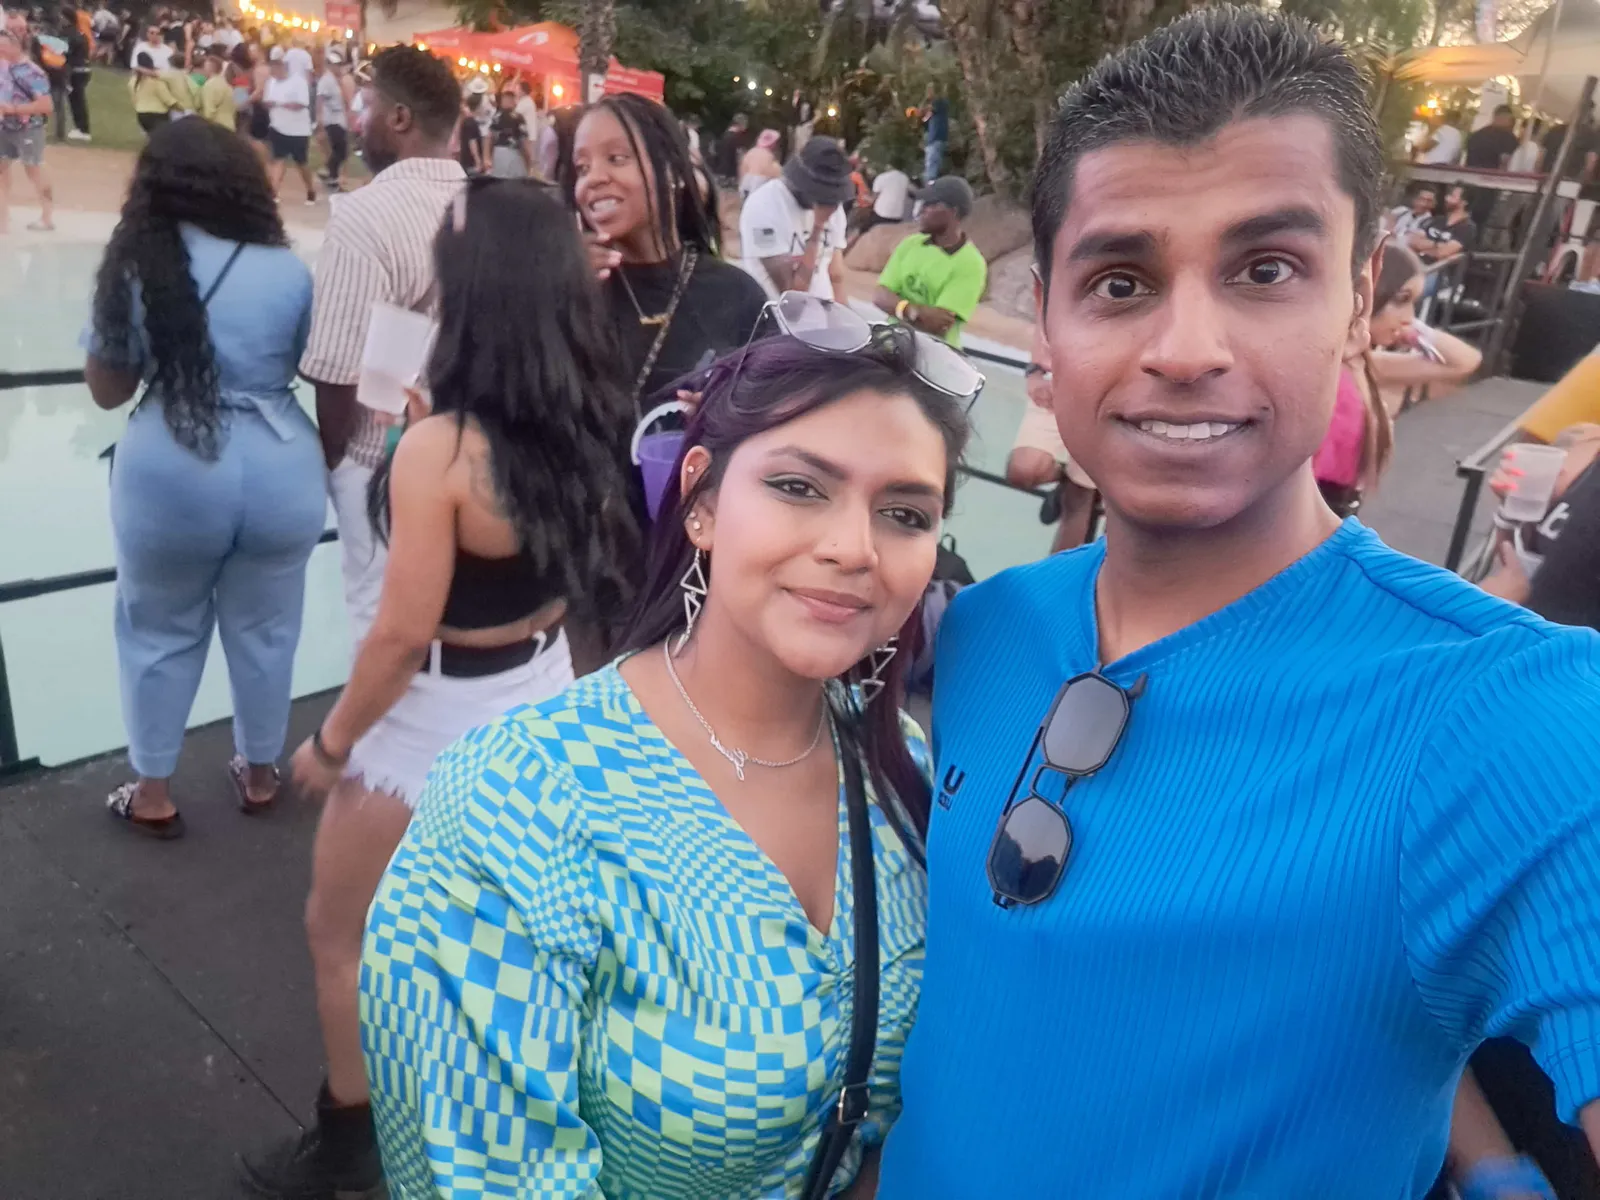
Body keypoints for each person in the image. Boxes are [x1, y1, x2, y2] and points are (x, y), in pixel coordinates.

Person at [876, 9, 1600, 1198]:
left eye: (1265, 270)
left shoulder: (1508, 717)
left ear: (1356, 300)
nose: (1185, 348)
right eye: (1119, 282)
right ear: (1047, 326)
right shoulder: (989, 629)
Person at [360, 325, 970, 1199]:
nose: (854, 548)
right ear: (700, 501)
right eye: (799, 487)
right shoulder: (517, 804)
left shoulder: (900, 769)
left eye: (905, 514)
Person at [242, 178, 637, 1200]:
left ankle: (351, 1144)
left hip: (429, 720)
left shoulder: (442, 451)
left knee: (339, 929)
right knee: (494, 942)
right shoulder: (589, 414)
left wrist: (330, 744)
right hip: (537, 688)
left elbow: (400, 635)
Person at [81, 119, 321, 837]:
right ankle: (260, 773)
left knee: (157, 627)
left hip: (171, 466)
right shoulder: (288, 269)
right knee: (268, 628)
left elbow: (107, 390)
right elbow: (313, 366)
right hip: (281, 463)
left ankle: (153, 791)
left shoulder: (136, 263)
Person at [296, 45, 464, 676]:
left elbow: (336, 371)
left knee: (380, 621)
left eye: (366, 107)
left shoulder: (365, 217)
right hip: (475, 449)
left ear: (398, 118)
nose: (358, 121)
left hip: (380, 457)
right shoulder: (488, 207)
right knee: (454, 619)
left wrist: (339, 462)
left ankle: (370, 736)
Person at [573, 92, 768, 405]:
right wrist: (556, 297)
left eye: (617, 158)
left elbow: (775, 410)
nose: (593, 178)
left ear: (673, 172)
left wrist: (723, 418)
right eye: (582, 167)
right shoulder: (567, 291)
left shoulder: (737, 295)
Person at [1006, 325, 1098, 553]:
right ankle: (1068, 476)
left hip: (1106, 398)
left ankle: (1061, 573)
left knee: (1080, 499)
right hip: (1058, 386)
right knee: (1022, 471)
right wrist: (1034, 373)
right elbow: (1044, 319)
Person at [873, 174, 987, 348]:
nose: (921, 211)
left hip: (935, 353)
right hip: (890, 344)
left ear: (953, 212)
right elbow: (879, 296)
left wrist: (896, 305)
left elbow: (938, 324)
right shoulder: (911, 244)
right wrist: (910, 310)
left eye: (931, 205)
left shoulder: (971, 264)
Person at [740, 136, 852, 301]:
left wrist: (845, 314)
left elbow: (835, 275)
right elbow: (793, 292)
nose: (830, 202)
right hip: (776, 313)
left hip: (820, 311)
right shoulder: (764, 206)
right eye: (823, 193)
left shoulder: (831, 206)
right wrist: (818, 228)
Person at [0, 24, 54, 233]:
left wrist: (14, 109)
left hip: (28, 128)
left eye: (3, 47)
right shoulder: (4, 66)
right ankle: (3, 216)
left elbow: (46, 106)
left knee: (34, 169)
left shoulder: (33, 72)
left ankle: (47, 216)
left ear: (16, 46)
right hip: (4, 126)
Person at [262, 47, 314, 206]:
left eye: (275, 68)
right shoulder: (271, 82)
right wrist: (269, 104)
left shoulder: (298, 82)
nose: (273, 72)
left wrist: (281, 104)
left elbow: (301, 104)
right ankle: (274, 191)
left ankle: (310, 189)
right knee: (278, 159)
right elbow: (266, 101)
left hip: (298, 130)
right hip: (277, 126)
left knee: (301, 163)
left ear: (283, 66)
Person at [1411, 181, 1477, 267]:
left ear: (1464, 202)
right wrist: (1437, 245)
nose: (1446, 198)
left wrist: (1423, 248)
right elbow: (1413, 241)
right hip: (1414, 264)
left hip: (1436, 271)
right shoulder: (1436, 220)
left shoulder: (1467, 228)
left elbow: (1443, 253)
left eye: (1452, 196)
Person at [315, 46, 352, 191]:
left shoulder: (335, 80)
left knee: (340, 150)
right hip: (331, 119)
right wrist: (319, 121)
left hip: (338, 118)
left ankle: (330, 175)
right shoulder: (326, 80)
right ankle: (330, 173)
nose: (339, 68)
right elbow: (320, 100)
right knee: (340, 150)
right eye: (336, 65)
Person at [56, 6, 89, 141]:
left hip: (74, 70)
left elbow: (62, 51)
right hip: (84, 69)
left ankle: (83, 129)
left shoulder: (66, 33)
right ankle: (81, 127)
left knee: (76, 100)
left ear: (66, 18)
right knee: (78, 100)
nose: (60, 18)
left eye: (61, 16)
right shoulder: (80, 32)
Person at [487, 85, 530, 178]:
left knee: (499, 180)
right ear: (513, 101)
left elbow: (490, 137)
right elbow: (524, 141)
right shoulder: (518, 118)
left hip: (498, 153)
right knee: (515, 181)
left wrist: (487, 157)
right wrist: (529, 160)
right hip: (513, 152)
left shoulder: (496, 117)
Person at [1465, 104, 1519, 170]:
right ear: (1508, 118)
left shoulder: (1475, 136)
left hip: (1471, 174)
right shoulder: (1509, 139)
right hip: (1494, 175)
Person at [737, 126, 781, 199]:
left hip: (746, 185)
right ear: (773, 143)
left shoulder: (750, 152)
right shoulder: (769, 156)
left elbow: (742, 169)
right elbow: (776, 174)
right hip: (760, 187)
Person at [196, 50, 234, 129]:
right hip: (230, 126)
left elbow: (209, 113)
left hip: (216, 127)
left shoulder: (209, 86)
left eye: (204, 67)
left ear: (208, 68)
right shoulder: (227, 85)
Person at [455, 80, 486, 176]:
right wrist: (478, 160)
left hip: (464, 159)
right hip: (470, 163)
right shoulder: (471, 122)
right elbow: (472, 142)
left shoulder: (466, 119)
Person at [919, 83, 948, 182]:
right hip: (934, 139)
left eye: (929, 90)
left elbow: (922, 111)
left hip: (936, 139)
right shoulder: (936, 107)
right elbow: (923, 117)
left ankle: (930, 185)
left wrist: (925, 99)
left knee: (931, 169)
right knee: (933, 166)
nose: (928, 93)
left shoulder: (939, 102)